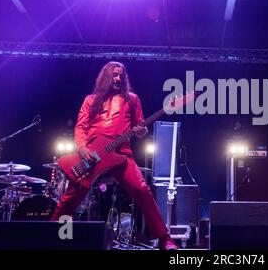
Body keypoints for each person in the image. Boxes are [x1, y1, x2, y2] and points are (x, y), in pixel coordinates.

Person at [51, 61, 177, 250]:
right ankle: (58, 237)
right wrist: (83, 148)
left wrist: (142, 131)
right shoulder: (90, 100)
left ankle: (164, 238)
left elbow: (141, 130)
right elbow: (80, 127)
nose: (118, 79)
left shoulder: (132, 99)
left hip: (122, 154)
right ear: (105, 78)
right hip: (91, 156)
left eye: (121, 76)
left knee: (142, 190)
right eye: (114, 75)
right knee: (71, 198)